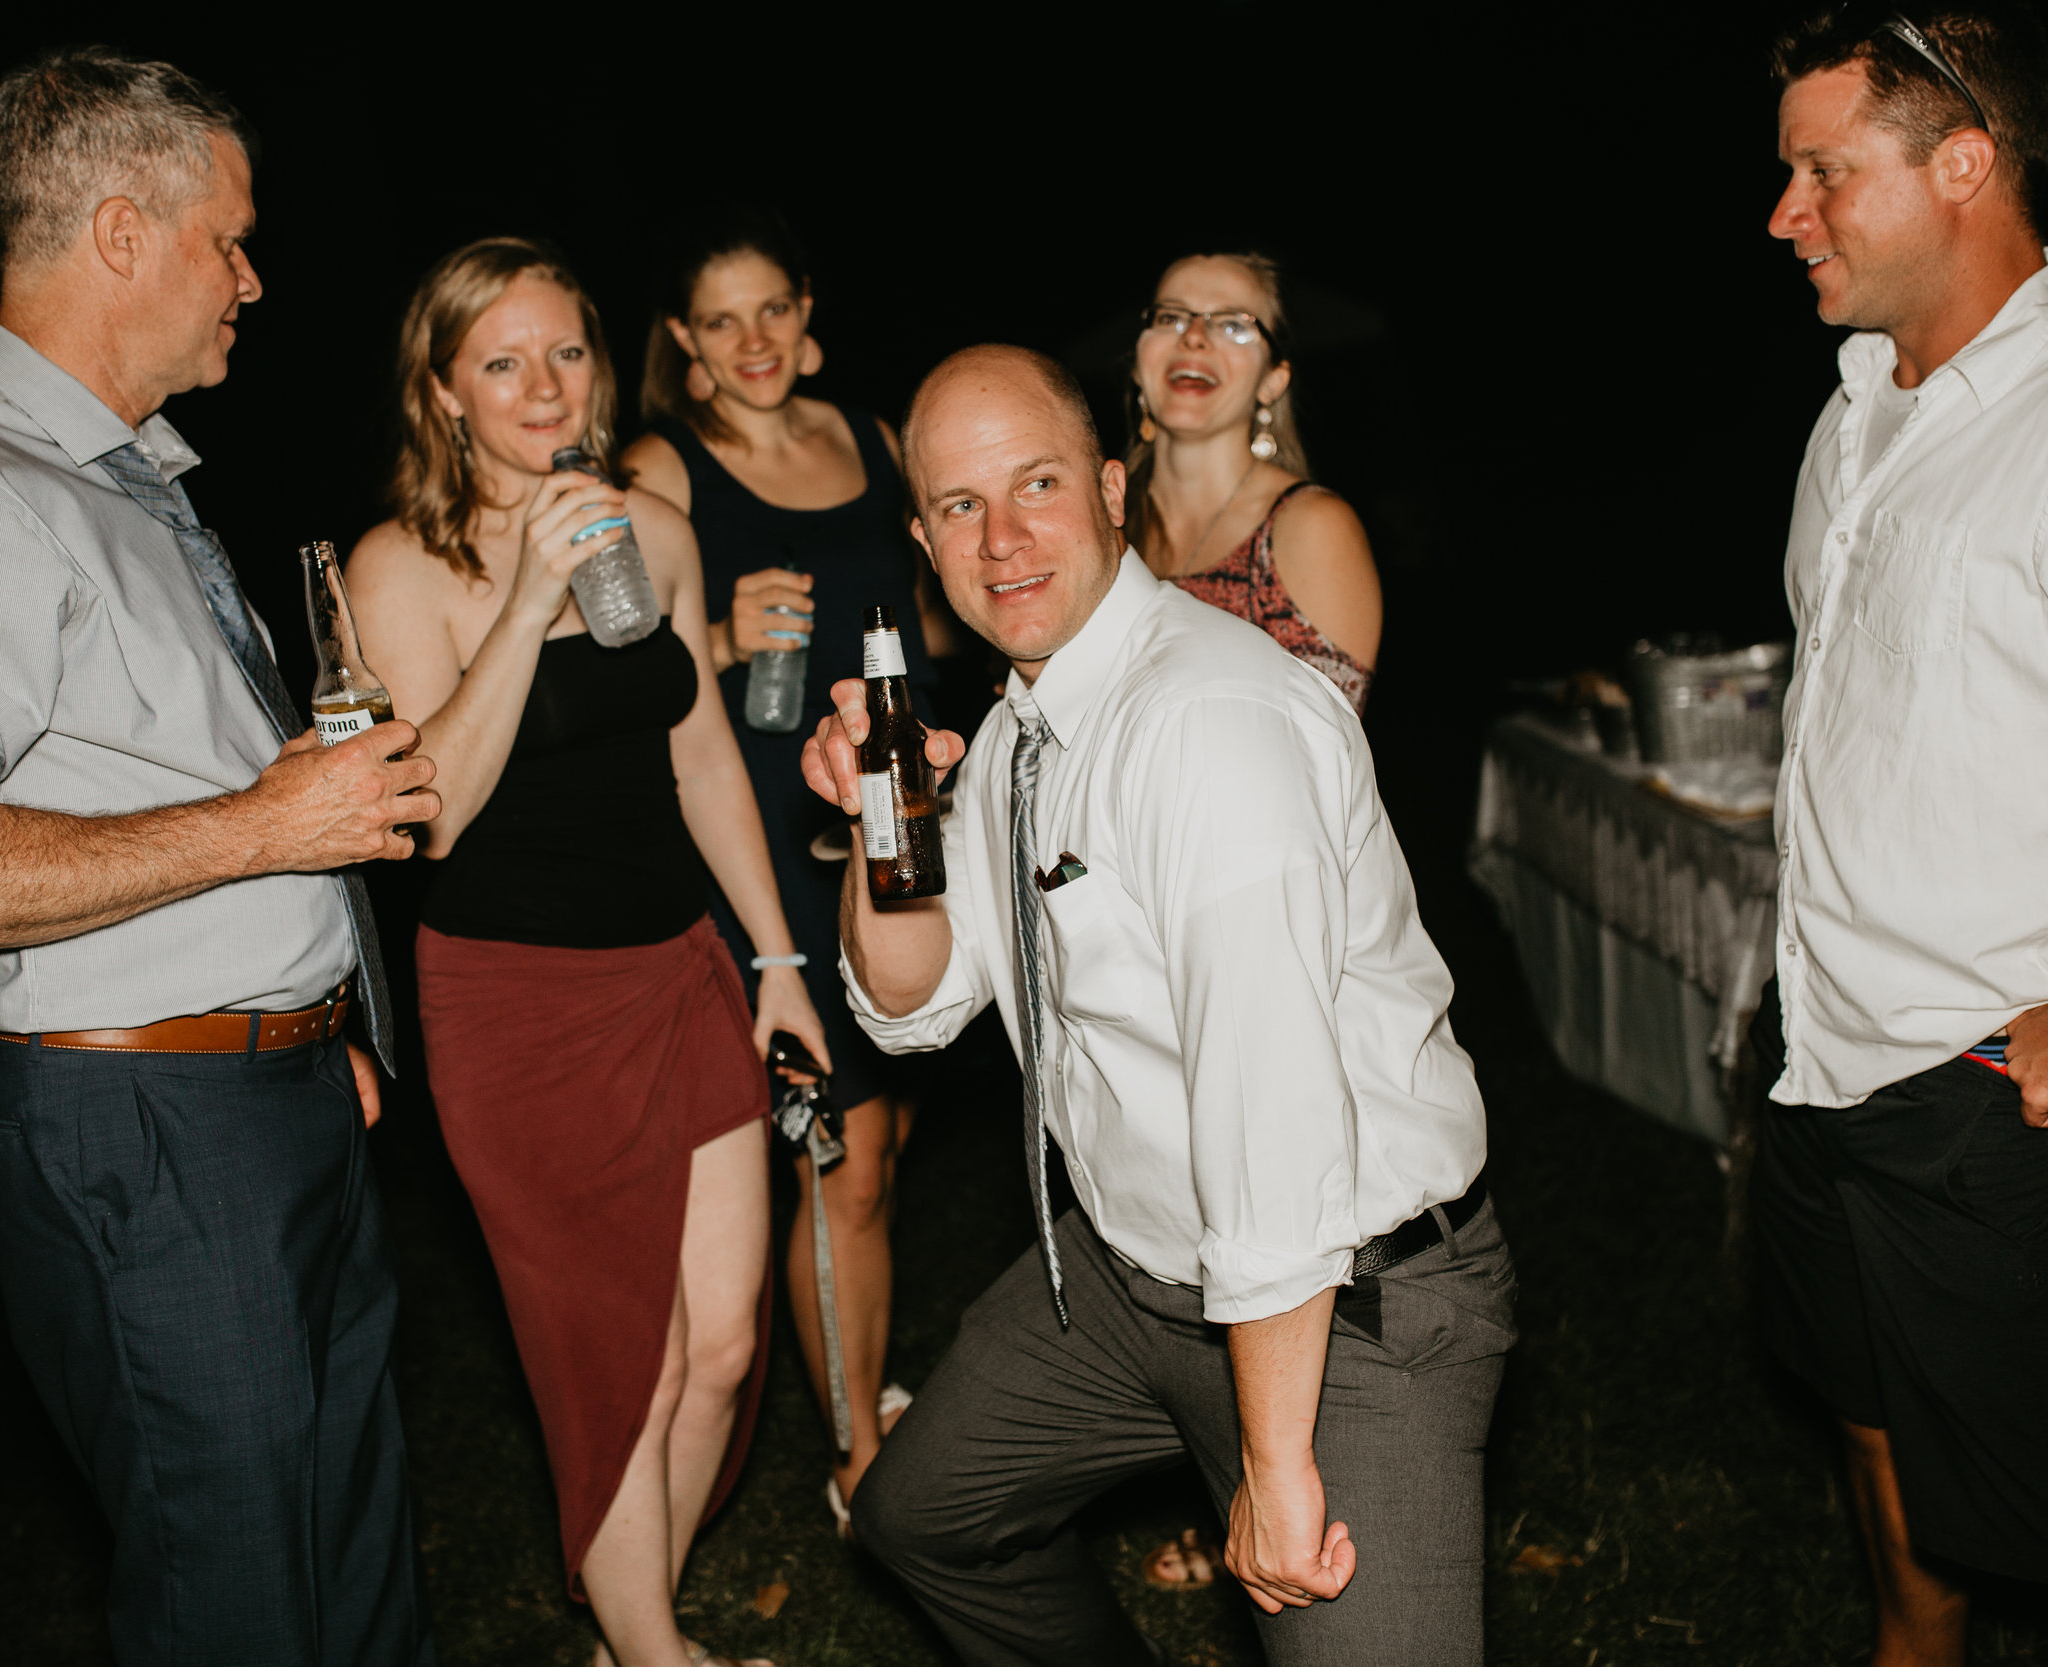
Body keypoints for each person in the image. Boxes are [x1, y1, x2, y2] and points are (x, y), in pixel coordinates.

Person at [0, 48, 437, 1667]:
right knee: (240, 1604)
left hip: (273, 1105)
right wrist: (274, 827)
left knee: (353, 1566)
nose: (252, 277)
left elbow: (155, 777)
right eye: (229, 238)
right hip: (147, 1140)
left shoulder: (125, 482)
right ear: (123, 232)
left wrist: (313, 1024)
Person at [800, 345, 1513, 1666]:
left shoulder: (1205, 721)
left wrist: (1279, 1457)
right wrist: (870, 833)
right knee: (924, 1512)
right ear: (923, 538)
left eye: (1038, 484)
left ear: (1114, 489)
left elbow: (1276, 1114)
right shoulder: (1020, 727)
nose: (1001, 536)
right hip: (1129, 1275)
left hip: (1341, 1292)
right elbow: (913, 1003)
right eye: (959, 504)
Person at [1755, 8, 2048, 1664]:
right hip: (1834, 1075)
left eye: (1824, 173)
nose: (1785, 214)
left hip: (2011, 1103)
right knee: (1909, 1545)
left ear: (1966, 162)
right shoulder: (1858, 416)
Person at [345, 236, 820, 1667]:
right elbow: (434, 814)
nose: (543, 385)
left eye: (566, 352)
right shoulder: (399, 566)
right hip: (515, 1004)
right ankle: (658, 1653)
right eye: (503, 360)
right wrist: (530, 595)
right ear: (445, 393)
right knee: (630, 1357)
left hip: (676, 966)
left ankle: (628, 1633)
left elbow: (702, 758)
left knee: (726, 1345)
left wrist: (779, 956)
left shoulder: (654, 533)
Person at [624, 208, 960, 1528]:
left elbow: (930, 616)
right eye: (722, 320)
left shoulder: (873, 439)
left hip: (904, 810)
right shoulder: (663, 463)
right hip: (765, 836)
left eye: (772, 308)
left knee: (897, 1113)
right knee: (844, 1147)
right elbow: (596, 660)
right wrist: (712, 627)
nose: (753, 338)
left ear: (806, 314)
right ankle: (854, 1456)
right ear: (685, 345)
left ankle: (861, 1384)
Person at [1127, 253, 1381, 715]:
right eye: (1171, 316)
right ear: (1137, 362)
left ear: (1272, 380)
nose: (1195, 337)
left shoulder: (1311, 528)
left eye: (1233, 324)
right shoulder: (1098, 520)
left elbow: (1322, 752)